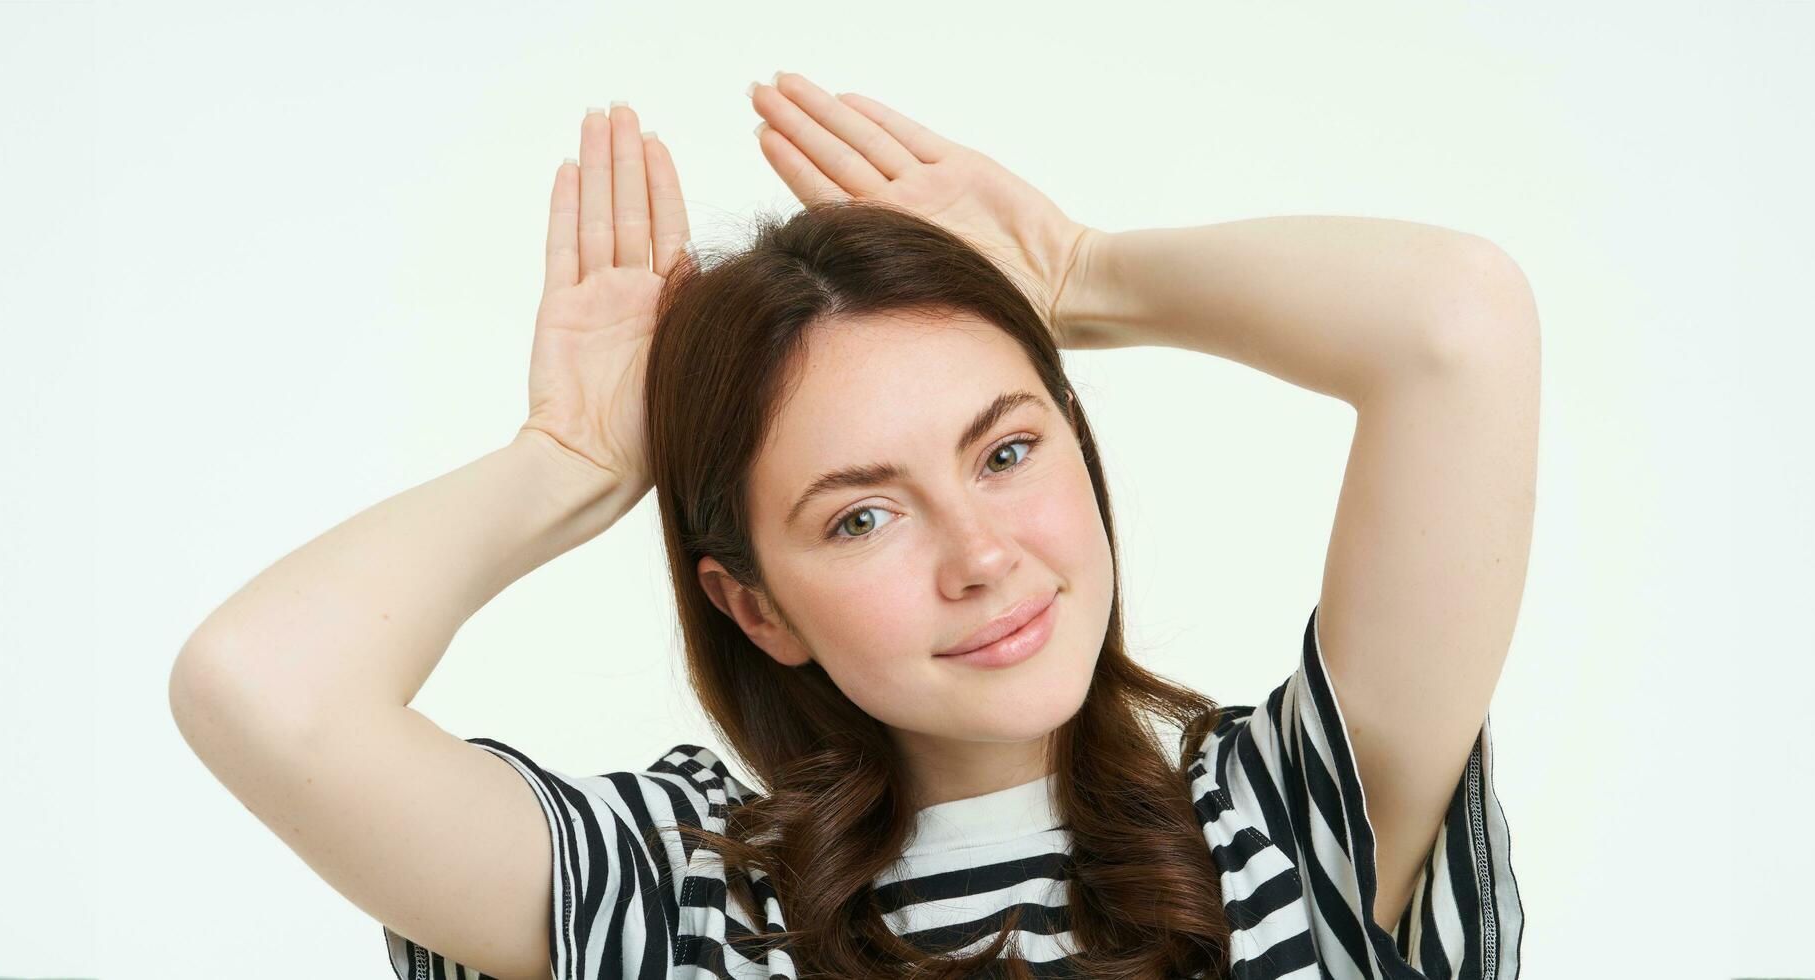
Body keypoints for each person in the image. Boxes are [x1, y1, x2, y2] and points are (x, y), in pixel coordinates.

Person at [170, 71, 1540, 980]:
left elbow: (1456, 324)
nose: (981, 554)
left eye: (1006, 449)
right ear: (755, 605)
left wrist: (1088, 275)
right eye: (864, 515)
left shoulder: (1291, 828)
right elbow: (261, 690)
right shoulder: (673, 904)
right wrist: (570, 461)